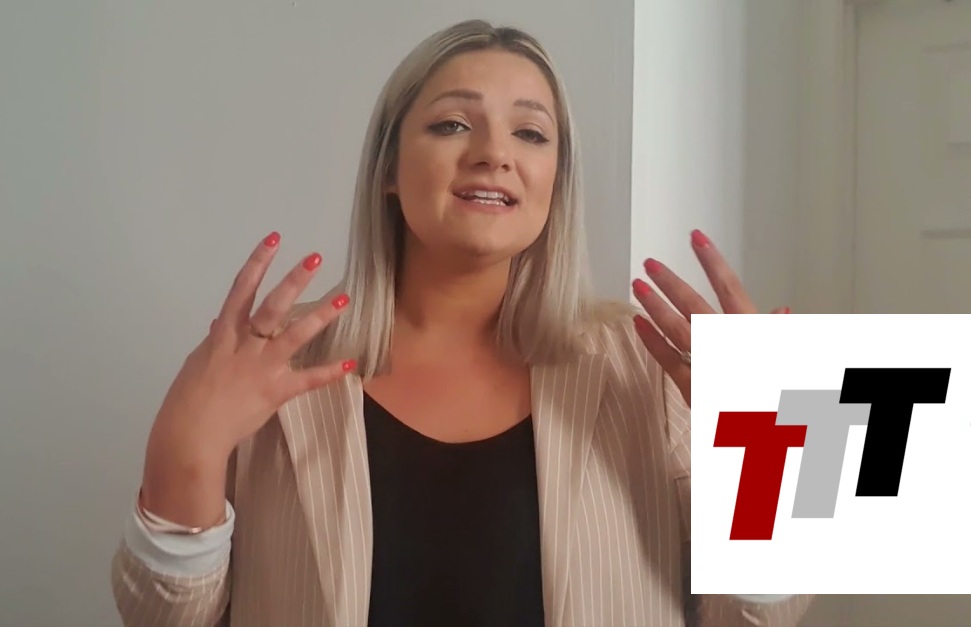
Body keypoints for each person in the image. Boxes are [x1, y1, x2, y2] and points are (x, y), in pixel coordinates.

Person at [110, 19, 815, 627]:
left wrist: (776, 445)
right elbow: (164, 618)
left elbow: (765, 616)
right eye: (451, 123)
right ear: (388, 169)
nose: (493, 153)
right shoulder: (266, 365)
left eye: (530, 133)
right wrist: (183, 450)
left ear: (555, 182)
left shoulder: (652, 363)